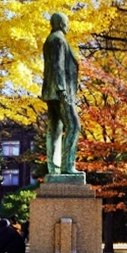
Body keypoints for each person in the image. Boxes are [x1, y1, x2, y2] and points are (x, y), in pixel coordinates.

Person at [40, 12, 81, 176]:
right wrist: (61, 89)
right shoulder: (57, 39)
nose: (68, 25)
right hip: (60, 92)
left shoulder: (51, 39)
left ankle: (54, 167)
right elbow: (57, 65)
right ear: (62, 23)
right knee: (73, 126)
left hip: (53, 92)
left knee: (55, 128)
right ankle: (67, 165)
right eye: (67, 22)